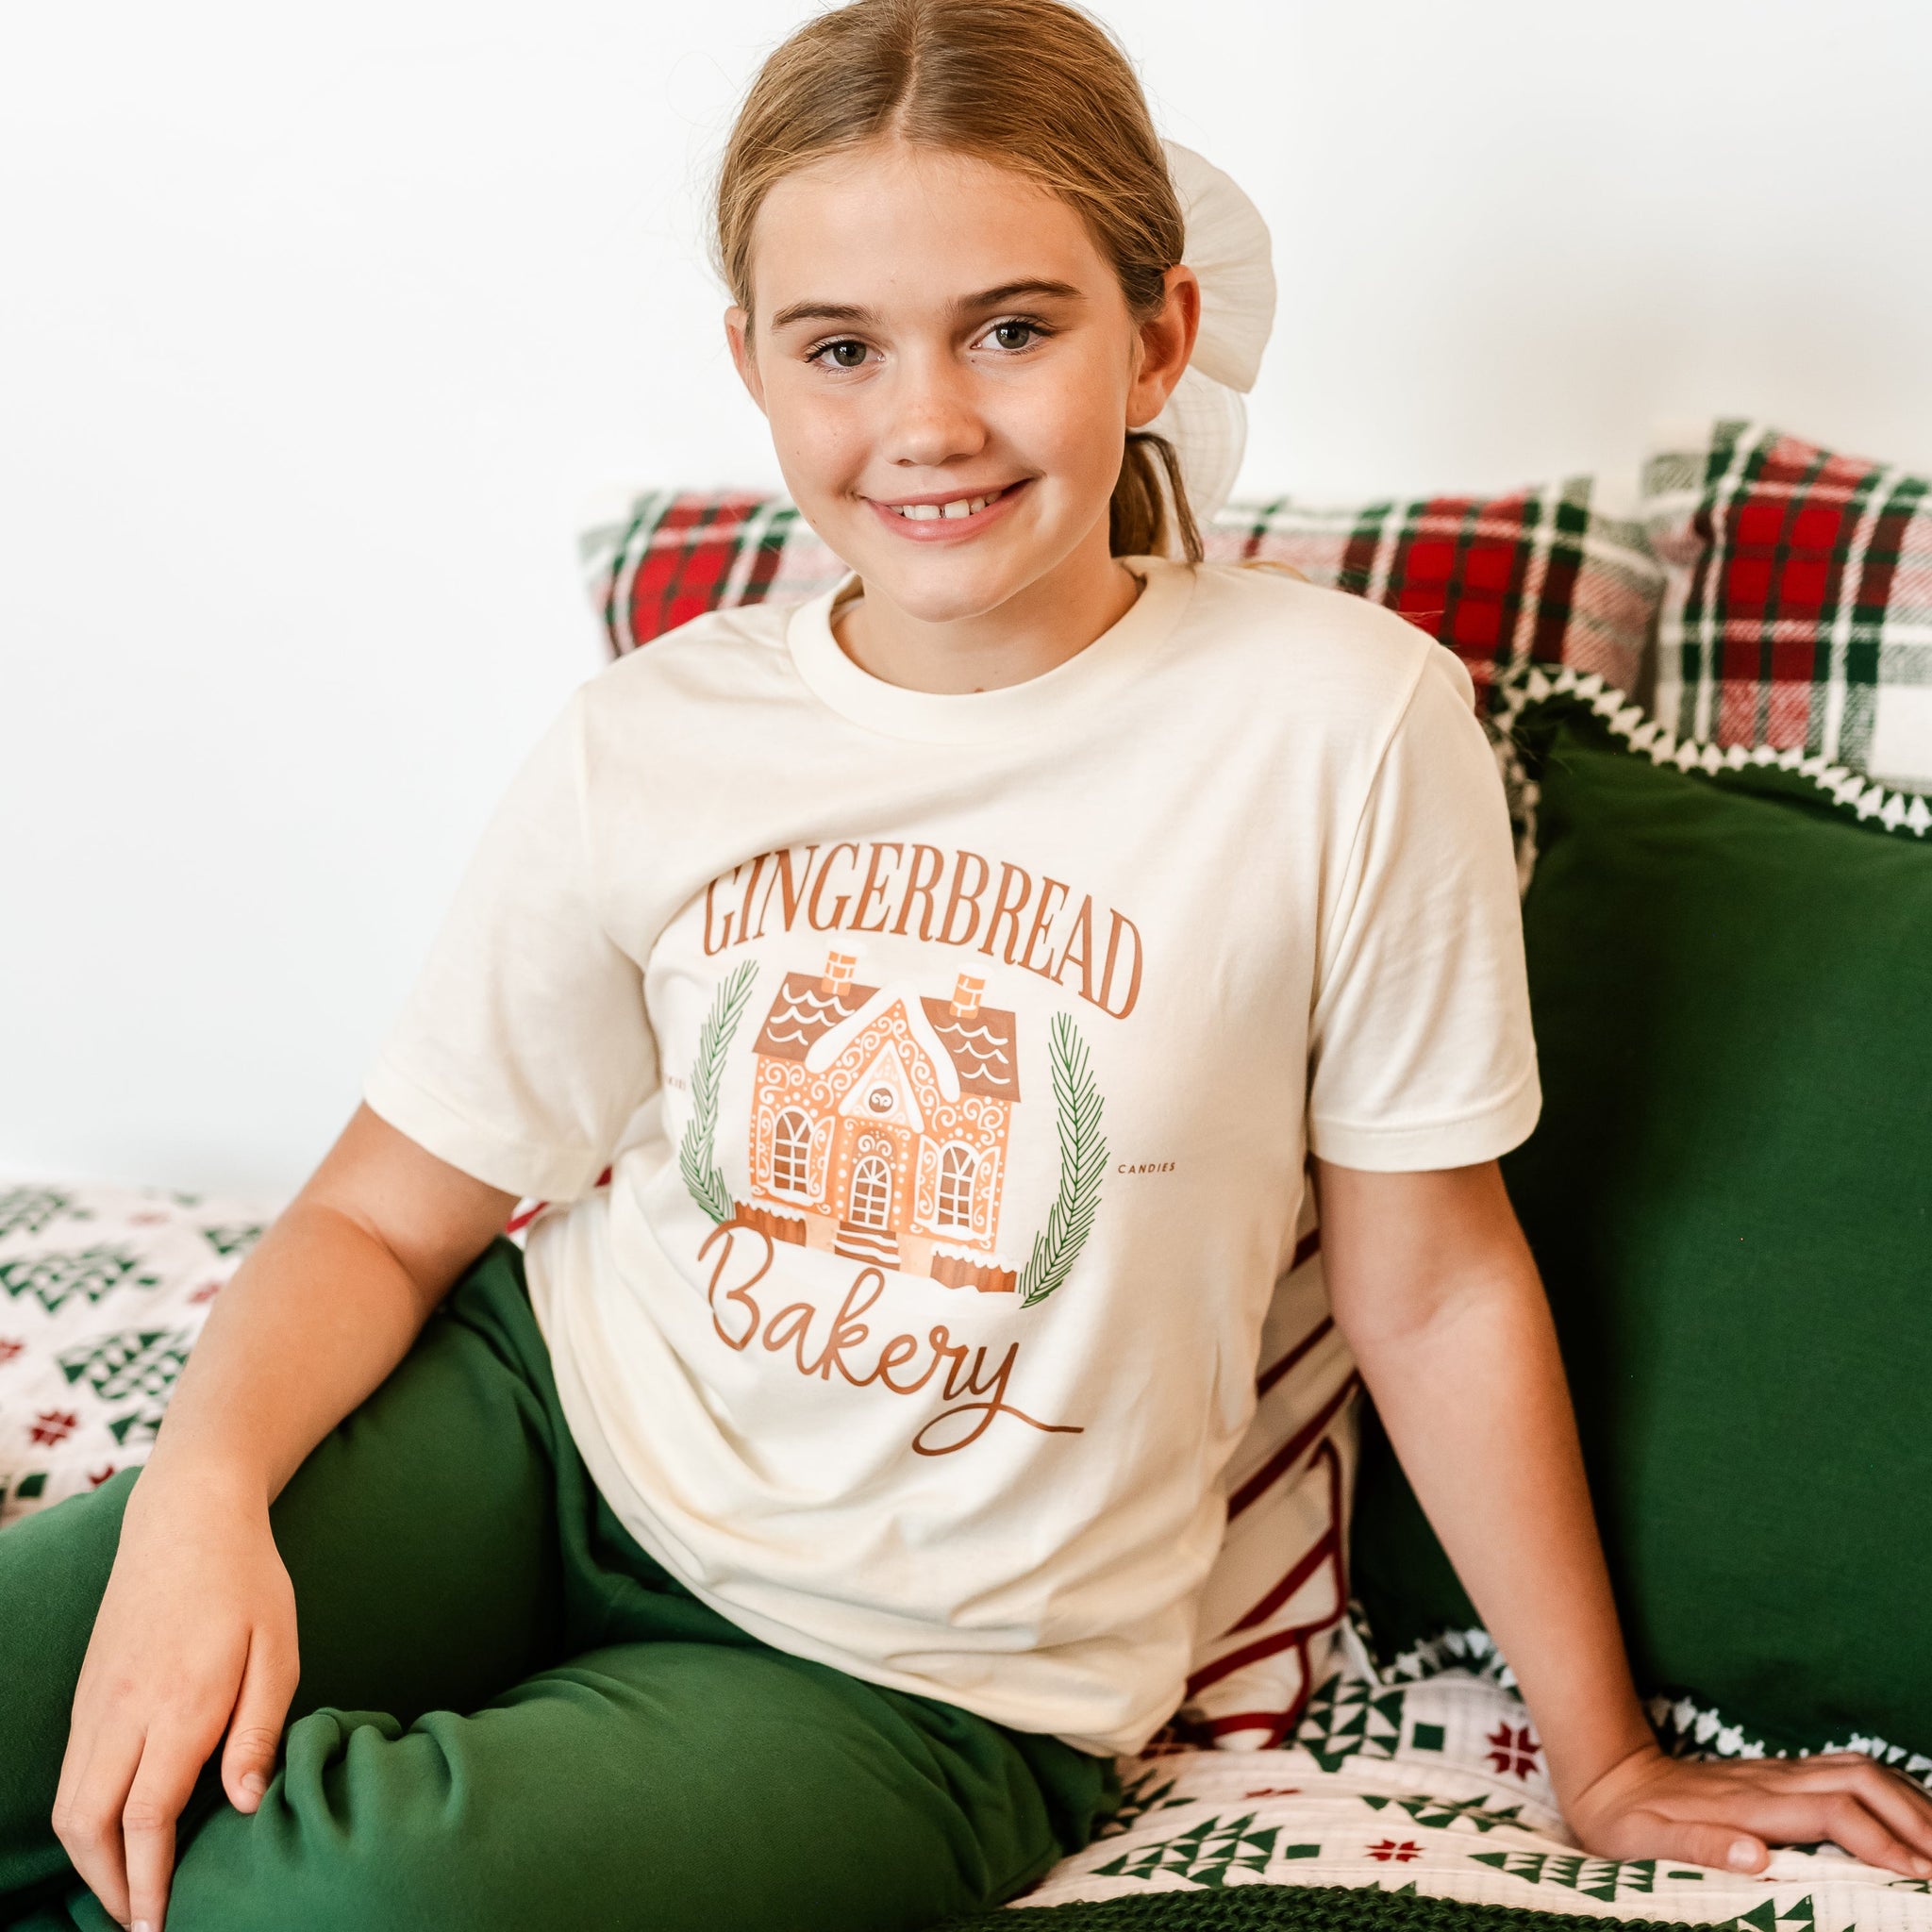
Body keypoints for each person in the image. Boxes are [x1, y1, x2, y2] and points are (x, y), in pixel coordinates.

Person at [8, 1, 1932, 1927]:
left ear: (1157, 336)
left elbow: (1426, 1282)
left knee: (341, 1901)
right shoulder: (655, 731)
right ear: (754, 365)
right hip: (539, 1428)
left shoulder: (1344, 727)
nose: (926, 422)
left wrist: (1601, 1756)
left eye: (1011, 329)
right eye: (842, 347)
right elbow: (375, 1216)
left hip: (918, 1682)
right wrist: (198, 1505)